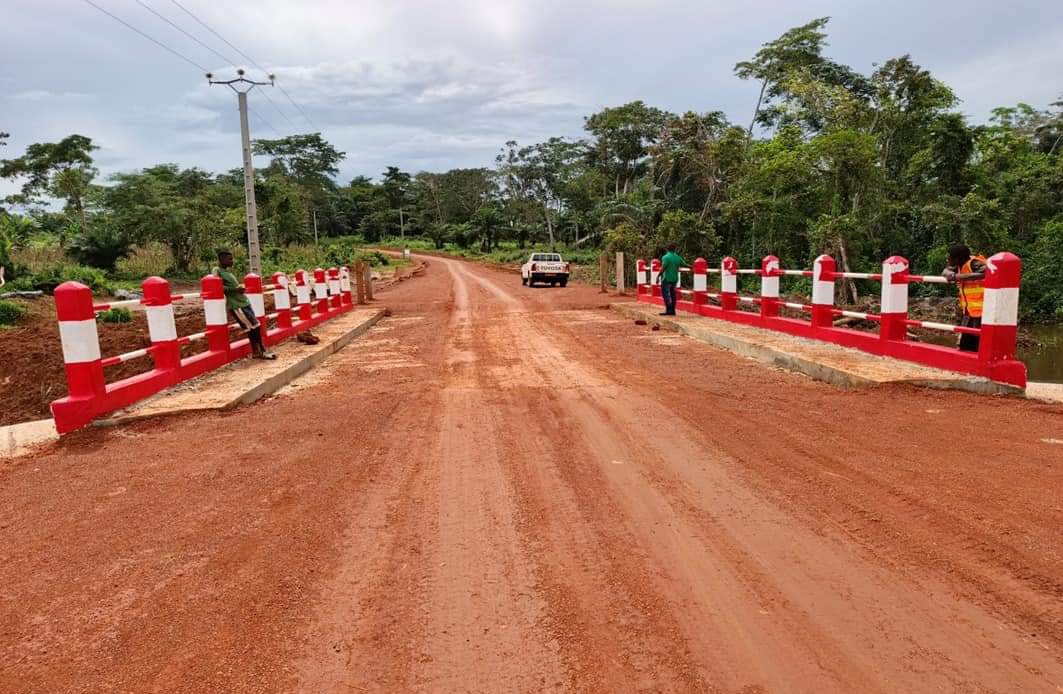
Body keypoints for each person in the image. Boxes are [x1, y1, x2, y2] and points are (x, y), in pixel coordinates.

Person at [213, 250, 276, 360]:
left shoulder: (228, 272)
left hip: (244, 302)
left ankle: (256, 351)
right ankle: (263, 350)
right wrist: (235, 289)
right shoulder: (217, 270)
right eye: (230, 259)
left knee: (252, 328)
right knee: (255, 326)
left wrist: (238, 289)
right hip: (237, 306)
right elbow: (216, 285)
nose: (232, 261)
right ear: (222, 260)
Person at [942, 244, 986, 352]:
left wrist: (959, 277)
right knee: (965, 345)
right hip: (969, 311)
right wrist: (951, 275)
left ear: (958, 258)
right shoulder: (958, 264)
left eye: (949, 257)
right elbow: (945, 271)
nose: (947, 259)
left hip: (982, 312)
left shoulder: (975, 263)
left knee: (979, 343)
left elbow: (987, 272)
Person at [656, 244, 686, 316]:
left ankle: (668, 310)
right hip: (675, 279)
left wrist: (658, 276)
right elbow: (684, 264)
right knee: (673, 295)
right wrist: (693, 267)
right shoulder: (678, 257)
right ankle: (673, 310)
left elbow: (663, 268)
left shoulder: (666, 257)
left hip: (667, 279)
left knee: (666, 295)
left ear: (667, 249)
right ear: (674, 249)